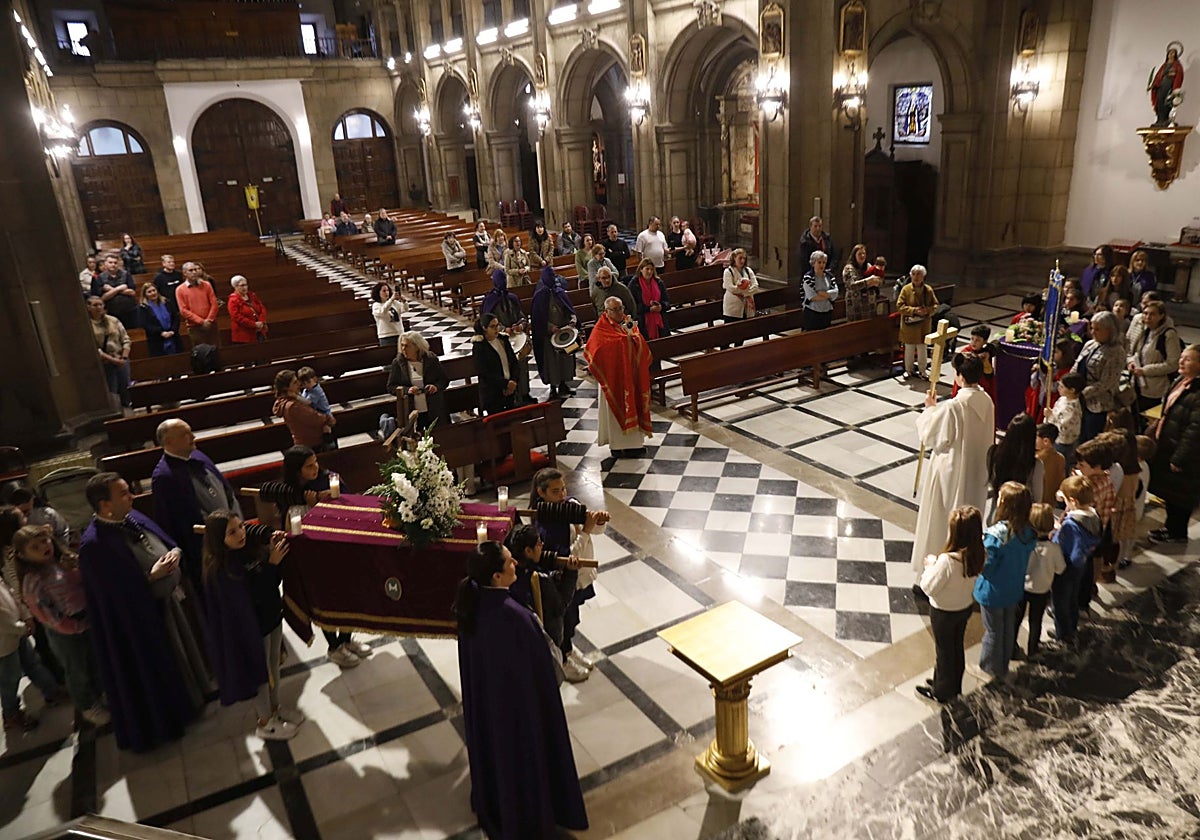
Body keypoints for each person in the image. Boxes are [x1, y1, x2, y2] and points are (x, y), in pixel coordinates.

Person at [453, 541, 588, 839]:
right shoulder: (516, 618)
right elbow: (545, 667)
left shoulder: (470, 606)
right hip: (518, 710)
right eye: (509, 561)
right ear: (496, 577)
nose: (515, 563)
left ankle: (496, 802)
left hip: (490, 705)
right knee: (522, 759)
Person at [79, 472, 209, 751]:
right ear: (105, 505)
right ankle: (175, 714)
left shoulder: (131, 518)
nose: (132, 496)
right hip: (142, 622)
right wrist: (151, 576)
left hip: (172, 603)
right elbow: (112, 595)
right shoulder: (94, 545)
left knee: (186, 654)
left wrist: (174, 551)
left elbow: (163, 540)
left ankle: (195, 697)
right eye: (124, 493)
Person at [257, 447, 368, 669]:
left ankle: (347, 640)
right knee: (324, 600)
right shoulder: (289, 492)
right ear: (296, 471)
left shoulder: (329, 479)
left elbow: (348, 504)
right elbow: (291, 525)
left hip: (338, 546)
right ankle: (334, 647)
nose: (315, 468)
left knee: (348, 594)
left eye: (315, 462)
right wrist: (312, 504)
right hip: (312, 555)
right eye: (309, 466)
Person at [201, 511, 302, 740]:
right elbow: (250, 596)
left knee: (274, 666)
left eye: (241, 526)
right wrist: (271, 565)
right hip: (253, 630)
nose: (240, 534)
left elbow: (271, 582)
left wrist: (273, 561)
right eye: (232, 532)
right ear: (219, 539)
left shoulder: (249, 550)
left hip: (271, 618)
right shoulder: (221, 568)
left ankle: (275, 709)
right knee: (262, 675)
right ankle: (265, 722)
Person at [13, 526, 109, 726]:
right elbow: (48, 615)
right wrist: (74, 626)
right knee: (77, 669)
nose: (44, 547)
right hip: (66, 631)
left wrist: (76, 567)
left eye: (44, 540)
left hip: (87, 618)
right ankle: (87, 705)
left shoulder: (61, 561)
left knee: (95, 660)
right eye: (35, 547)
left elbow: (83, 583)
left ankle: (100, 694)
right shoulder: (33, 581)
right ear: (23, 555)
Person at [910, 353, 995, 577]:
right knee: (969, 519)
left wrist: (930, 409)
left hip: (952, 473)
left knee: (941, 520)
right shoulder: (987, 401)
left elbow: (932, 436)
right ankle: (966, 569)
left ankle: (937, 573)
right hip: (977, 471)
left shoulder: (954, 406)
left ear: (960, 376)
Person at [529, 468, 609, 682]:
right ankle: (563, 659)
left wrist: (598, 522)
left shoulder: (571, 505)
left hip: (580, 577)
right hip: (563, 581)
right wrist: (586, 531)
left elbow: (594, 530)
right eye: (555, 492)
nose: (562, 495)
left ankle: (569, 649)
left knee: (572, 617)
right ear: (541, 492)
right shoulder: (545, 522)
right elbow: (565, 558)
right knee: (563, 619)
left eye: (563, 489)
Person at [151, 418, 243, 594]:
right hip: (209, 550)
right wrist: (220, 534)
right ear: (168, 441)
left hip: (233, 536)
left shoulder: (198, 456)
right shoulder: (165, 477)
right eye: (185, 434)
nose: (193, 437)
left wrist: (237, 523)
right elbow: (176, 522)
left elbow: (226, 491)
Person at [916, 505, 984, 703]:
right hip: (964, 607)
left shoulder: (947, 561)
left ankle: (942, 692)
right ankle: (950, 684)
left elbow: (928, 587)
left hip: (944, 612)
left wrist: (930, 566)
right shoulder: (978, 553)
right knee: (956, 647)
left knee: (944, 652)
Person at [975, 481, 1036, 678]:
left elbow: (987, 565)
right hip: (1014, 587)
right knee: (1008, 627)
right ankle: (1004, 663)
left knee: (993, 631)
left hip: (993, 590)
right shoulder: (1028, 531)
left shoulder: (996, 535)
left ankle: (990, 668)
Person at [585, 296, 653, 458]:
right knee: (614, 413)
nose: (618, 312)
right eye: (614, 310)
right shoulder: (601, 328)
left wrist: (634, 338)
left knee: (635, 403)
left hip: (632, 376)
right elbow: (598, 350)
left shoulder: (628, 323)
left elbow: (640, 341)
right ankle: (617, 446)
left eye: (620, 308)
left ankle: (635, 445)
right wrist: (624, 341)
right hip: (613, 379)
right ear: (606, 311)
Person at [505, 524, 579, 667]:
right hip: (545, 638)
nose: (542, 545)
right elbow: (560, 605)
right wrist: (571, 573)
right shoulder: (540, 580)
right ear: (528, 551)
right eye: (539, 543)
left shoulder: (509, 574)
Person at [1148, 344, 1200, 544]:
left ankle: (1177, 532)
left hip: (1186, 454)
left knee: (1181, 495)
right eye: (1182, 357)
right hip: (1168, 444)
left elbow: (1195, 430)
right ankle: (1171, 527)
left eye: (1188, 359)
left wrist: (1179, 457)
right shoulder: (1181, 380)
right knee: (1171, 492)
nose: (1181, 361)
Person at [1051, 475, 1101, 647]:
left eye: (1065, 500)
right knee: (1072, 598)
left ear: (1073, 501)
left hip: (1066, 567)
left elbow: (1065, 546)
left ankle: (1062, 635)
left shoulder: (1071, 524)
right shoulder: (1093, 516)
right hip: (1081, 567)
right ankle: (1071, 629)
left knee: (1060, 602)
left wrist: (1057, 532)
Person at [1014, 503, 1065, 659]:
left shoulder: (1024, 546)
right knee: (1036, 621)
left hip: (1022, 587)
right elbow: (1060, 569)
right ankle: (1033, 649)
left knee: (1016, 619)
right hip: (1042, 590)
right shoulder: (1054, 549)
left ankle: (1011, 648)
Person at [1071, 310, 1125, 443]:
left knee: (1090, 440)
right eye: (1092, 328)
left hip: (1097, 404)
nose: (1093, 332)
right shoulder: (1090, 344)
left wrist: (1081, 394)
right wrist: (1069, 384)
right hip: (1078, 399)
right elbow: (1077, 364)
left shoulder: (1116, 352)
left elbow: (1106, 383)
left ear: (1110, 331)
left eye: (1098, 329)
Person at [1127, 300, 1180, 423]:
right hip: (1137, 384)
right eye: (1145, 313)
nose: (1147, 317)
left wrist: (1145, 370)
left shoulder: (1168, 335)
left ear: (1161, 316)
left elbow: (1173, 364)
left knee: (1148, 421)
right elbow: (1132, 351)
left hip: (1155, 388)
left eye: (1152, 314)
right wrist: (1130, 362)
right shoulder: (1144, 332)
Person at [386, 331, 450, 430]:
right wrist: (407, 390)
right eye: (402, 345)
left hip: (433, 407)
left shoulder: (431, 359)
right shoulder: (398, 363)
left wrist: (435, 387)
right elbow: (391, 387)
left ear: (417, 347)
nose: (403, 349)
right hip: (411, 409)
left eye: (407, 346)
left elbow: (443, 380)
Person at [531, 266, 579, 399]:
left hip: (565, 333)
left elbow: (570, 309)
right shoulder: (539, 296)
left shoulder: (560, 292)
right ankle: (553, 387)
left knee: (566, 359)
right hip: (549, 336)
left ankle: (564, 384)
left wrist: (572, 320)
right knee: (551, 362)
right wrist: (550, 327)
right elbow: (537, 319)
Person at [988, 413, 1044, 512]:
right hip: (1021, 514)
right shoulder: (1035, 464)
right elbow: (1037, 497)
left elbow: (991, 482)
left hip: (997, 510)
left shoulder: (993, 453)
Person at [87, 295, 132, 410]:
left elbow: (125, 339)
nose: (98, 307)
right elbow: (94, 349)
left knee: (126, 389)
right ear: (89, 307)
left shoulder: (113, 320)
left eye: (100, 304)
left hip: (121, 359)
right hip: (105, 363)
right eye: (95, 305)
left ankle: (128, 410)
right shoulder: (87, 325)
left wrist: (124, 358)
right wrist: (113, 360)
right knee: (112, 391)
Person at [273, 369, 333, 450]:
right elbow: (315, 418)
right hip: (313, 442)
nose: (299, 383)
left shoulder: (285, 400)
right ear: (286, 388)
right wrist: (329, 419)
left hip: (304, 441)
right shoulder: (294, 406)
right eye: (295, 382)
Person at [473, 314, 521, 415]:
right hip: (493, 393)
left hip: (510, 389)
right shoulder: (480, 346)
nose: (496, 329)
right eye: (492, 326)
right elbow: (484, 373)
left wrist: (513, 381)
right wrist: (505, 384)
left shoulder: (503, 340)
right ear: (484, 328)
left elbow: (514, 362)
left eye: (497, 325)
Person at [896, 265, 937, 378]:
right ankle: (908, 370)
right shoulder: (906, 289)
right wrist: (914, 310)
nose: (916, 277)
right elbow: (899, 306)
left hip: (923, 325)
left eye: (919, 274)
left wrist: (927, 310)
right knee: (909, 349)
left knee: (922, 348)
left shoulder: (928, 290)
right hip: (909, 325)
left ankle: (922, 371)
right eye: (913, 274)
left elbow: (935, 305)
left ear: (923, 276)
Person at [2, 486, 70, 544]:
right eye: (17, 502)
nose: (22, 505)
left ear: (33, 499)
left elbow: (63, 532)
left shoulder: (47, 514)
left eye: (26, 500)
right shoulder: (8, 520)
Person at [176, 261, 220, 348]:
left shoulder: (207, 285)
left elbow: (214, 303)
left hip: (211, 324)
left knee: (216, 349)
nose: (194, 272)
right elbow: (183, 310)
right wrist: (201, 322)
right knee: (201, 351)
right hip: (194, 327)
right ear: (185, 273)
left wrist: (209, 320)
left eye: (195, 270)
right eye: (191, 270)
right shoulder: (180, 289)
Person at [92, 253, 139, 329]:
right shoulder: (100, 278)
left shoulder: (126, 274)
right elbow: (102, 298)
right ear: (105, 264)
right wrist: (119, 288)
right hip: (112, 312)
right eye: (110, 262)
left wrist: (111, 290)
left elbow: (132, 292)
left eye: (115, 263)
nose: (113, 265)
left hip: (130, 310)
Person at [1047, 370, 1084, 467]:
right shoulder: (1063, 399)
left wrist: (1050, 416)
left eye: (1062, 387)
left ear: (1072, 390)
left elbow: (1064, 427)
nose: (1058, 388)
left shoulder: (1071, 408)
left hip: (1063, 441)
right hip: (1055, 437)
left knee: (1061, 464)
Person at [628, 259, 671, 340]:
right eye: (647, 269)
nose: (649, 272)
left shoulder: (659, 282)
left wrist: (661, 306)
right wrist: (649, 309)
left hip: (660, 318)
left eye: (651, 269)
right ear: (641, 269)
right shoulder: (634, 284)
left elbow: (667, 301)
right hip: (642, 321)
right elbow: (632, 306)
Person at [299, 366, 337, 450]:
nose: (306, 385)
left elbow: (308, 402)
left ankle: (330, 445)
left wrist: (296, 397)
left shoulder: (317, 391)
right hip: (316, 414)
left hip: (324, 414)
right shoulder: (306, 390)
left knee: (327, 431)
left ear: (315, 379)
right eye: (303, 384)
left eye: (308, 382)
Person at [137, 282, 180, 357]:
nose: (153, 293)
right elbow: (146, 325)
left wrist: (173, 331)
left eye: (154, 290)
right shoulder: (143, 308)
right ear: (145, 294)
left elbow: (176, 317)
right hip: (156, 340)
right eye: (149, 292)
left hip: (173, 336)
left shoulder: (167, 302)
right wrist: (161, 333)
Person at [801, 250, 839, 332]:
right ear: (813, 263)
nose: (822, 265)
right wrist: (828, 296)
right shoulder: (808, 277)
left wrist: (822, 293)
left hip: (827, 311)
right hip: (812, 312)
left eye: (824, 262)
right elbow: (812, 297)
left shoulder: (829, 276)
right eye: (819, 262)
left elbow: (835, 293)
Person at [842, 243, 882, 321]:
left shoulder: (869, 266)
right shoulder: (848, 268)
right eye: (859, 254)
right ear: (854, 255)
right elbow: (852, 285)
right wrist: (868, 281)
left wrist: (878, 281)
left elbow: (879, 280)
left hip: (869, 304)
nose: (862, 255)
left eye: (864, 253)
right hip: (855, 304)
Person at [1149, 43, 1184, 126]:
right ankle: (1160, 119)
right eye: (1169, 53)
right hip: (1161, 86)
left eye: (1173, 53)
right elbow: (1158, 76)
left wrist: (1175, 89)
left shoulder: (1177, 66)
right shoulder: (1164, 65)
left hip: (1169, 86)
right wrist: (1153, 85)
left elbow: (1179, 77)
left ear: (1175, 55)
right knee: (1159, 102)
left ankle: (1166, 119)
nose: (1171, 55)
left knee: (1167, 102)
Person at [722, 248, 759, 323]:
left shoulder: (748, 270)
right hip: (733, 308)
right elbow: (731, 288)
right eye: (740, 258)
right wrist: (746, 290)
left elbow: (755, 286)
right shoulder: (728, 271)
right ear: (734, 258)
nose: (742, 261)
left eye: (744, 258)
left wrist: (743, 290)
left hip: (747, 307)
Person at [228, 275, 268, 344]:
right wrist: (254, 324)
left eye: (246, 285)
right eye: (242, 285)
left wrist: (261, 321)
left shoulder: (252, 295)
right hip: (244, 335)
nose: (245, 287)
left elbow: (262, 308)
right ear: (235, 287)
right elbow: (236, 317)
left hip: (259, 330)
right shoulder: (233, 300)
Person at [1035, 423, 1066, 506]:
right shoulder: (1061, 458)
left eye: (1036, 438)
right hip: (1051, 503)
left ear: (1046, 441)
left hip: (1036, 503)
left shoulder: (1037, 459)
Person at [370, 281, 405, 348]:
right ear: (378, 293)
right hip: (386, 336)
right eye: (384, 291)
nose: (387, 293)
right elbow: (383, 312)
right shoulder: (376, 305)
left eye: (387, 290)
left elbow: (404, 309)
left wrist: (404, 301)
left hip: (399, 333)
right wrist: (391, 300)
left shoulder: (394, 303)